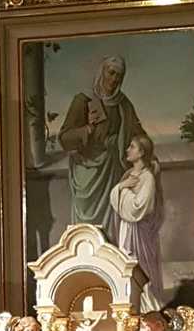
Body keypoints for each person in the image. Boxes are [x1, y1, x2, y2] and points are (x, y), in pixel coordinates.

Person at [58, 56, 145, 240]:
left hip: (112, 170)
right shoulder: (83, 100)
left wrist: (149, 156)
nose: (114, 79)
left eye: (119, 76)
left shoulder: (123, 104)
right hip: (87, 171)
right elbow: (64, 138)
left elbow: (138, 134)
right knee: (85, 231)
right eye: (111, 73)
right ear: (102, 72)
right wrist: (86, 130)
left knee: (110, 232)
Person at [110, 134, 165, 308]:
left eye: (132, 147)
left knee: (139, 267)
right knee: (126, 266)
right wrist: (122, 186)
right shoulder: (128, 174)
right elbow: (116, 200)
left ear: (141, 153)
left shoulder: (148, 177)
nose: (128, 150)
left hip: (140, 232)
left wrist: (124, 190)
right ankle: (129, 304)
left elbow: (138, 207)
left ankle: (146, 308)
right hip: (127, 228)